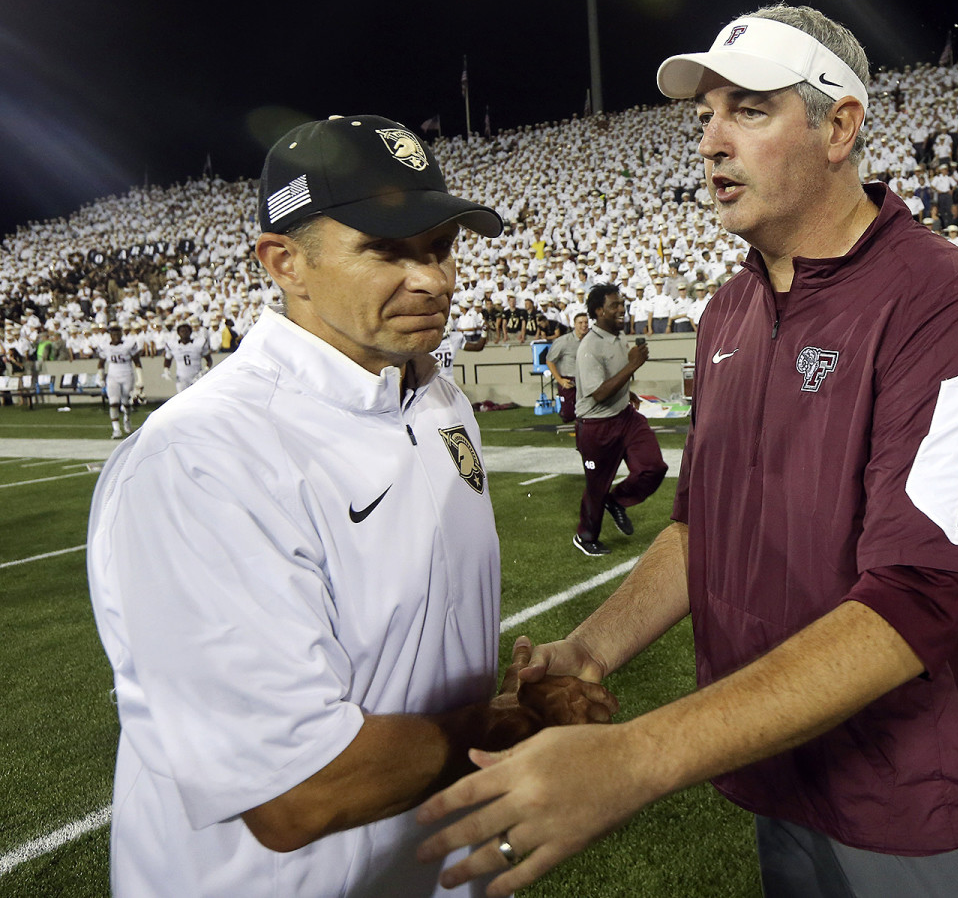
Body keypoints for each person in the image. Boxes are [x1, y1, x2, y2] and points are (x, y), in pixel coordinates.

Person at [417, 8, 958, 898]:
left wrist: (635, 759)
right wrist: (591, 650)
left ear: (840, 126)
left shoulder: (952, 309)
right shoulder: (729, 312)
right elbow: (697, 528)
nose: (710, 142)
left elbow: (917, 603)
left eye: (748, 110)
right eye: (705, 115)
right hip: (780, 769)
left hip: (917, 802)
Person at [86, 114, 617, 898]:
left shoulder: (435, 397)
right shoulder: (203, 458)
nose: (433, 278)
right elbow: (297, 792)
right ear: (285, 262)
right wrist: (513, 721)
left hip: (432, 864)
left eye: (439, 246)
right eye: (388, 250)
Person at [570, 283, 668, 556]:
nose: (621, 310)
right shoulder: (588, 346)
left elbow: (613, 380)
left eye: (621, 305)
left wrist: (628, 389)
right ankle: (585, 536)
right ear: (598, 311)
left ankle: (617, 501)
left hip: (624, 415)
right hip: (596, 424)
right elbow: (599, 394)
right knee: (596, 487)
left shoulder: (617, 336)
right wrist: (633, 365)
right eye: (614, 305)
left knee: (653, 466)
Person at [98, 323, 142, 438]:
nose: (116, 335)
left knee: (126, 400)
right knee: (113, 401)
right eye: (113, 333)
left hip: (127, 374)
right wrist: (100, 376)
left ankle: (127, 419)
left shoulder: (128, 345)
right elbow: (101, 363)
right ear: (110, 335)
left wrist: (140, 379)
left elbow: (137, 362)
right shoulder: (105, 346)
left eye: (118, 333)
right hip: (113, 376)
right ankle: (116, 429)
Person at [545, 311, 589, 423]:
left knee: (587, 412)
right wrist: (560, 380)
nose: (583, 325)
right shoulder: (563, 341)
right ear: (574, 324)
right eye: (580, 323)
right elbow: (550, 360)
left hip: (586, 380)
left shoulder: (591, 341)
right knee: (569, 414)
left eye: (586, 322)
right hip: (569, 380)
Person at [161, 320, 213, 393]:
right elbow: (168, 360)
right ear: (178, 333)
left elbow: (209, 360)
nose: (184, 333)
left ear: (190, 332)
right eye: (182, 331)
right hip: (181, 379)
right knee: (182, 400)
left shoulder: (198, 344)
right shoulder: (173, 345)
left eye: (186, 331)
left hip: (196, 377)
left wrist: (205, 370)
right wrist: (166, 370)